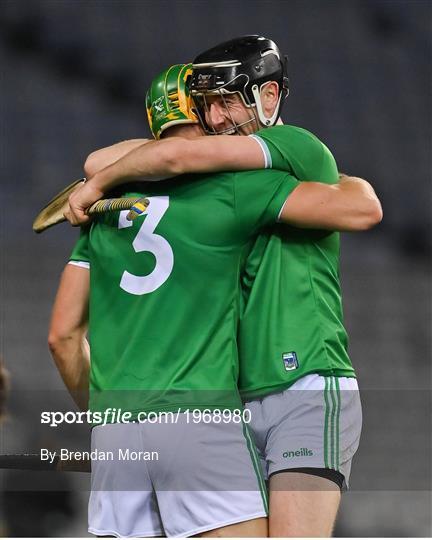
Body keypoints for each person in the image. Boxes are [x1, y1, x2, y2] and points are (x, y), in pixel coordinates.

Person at [65, 38, 382, 537]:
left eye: (227, 100)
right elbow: (122, 156)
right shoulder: (230, 181)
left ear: (269, 97)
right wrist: (109, 170)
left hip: (306, 383)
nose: (215, 118)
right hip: (239, 398)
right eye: (207, 105)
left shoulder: (295, 145)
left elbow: (169, 159)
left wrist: (97, 183)